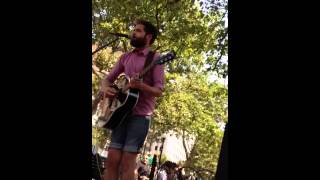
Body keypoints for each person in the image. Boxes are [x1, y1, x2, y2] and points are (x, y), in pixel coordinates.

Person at [101, 19, 165, 180]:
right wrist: (106, 89)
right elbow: (107, 79)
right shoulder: (126, 57)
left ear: (148, 36)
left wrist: (141, 86)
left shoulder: (156, 59)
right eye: (133, 30)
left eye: (138, 30)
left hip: (140, 116)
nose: (133, 33)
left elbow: (158, 90)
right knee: (112, 160)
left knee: (127, 164)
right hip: (119, 113)